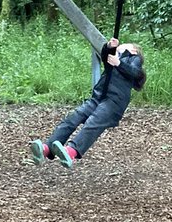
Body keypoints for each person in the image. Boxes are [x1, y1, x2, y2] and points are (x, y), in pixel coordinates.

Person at [30, 37, 146, 168]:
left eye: (124, 45)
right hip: (98, 97)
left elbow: (135, 73)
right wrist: (109, 47)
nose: (120, 46)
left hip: (114, 102)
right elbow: (105, 56)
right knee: (73, 118)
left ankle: (71, 151)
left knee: (93, 123)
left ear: (134, 50)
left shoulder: (133, 59)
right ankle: (47, 148)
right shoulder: (113, 58)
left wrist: (119, 63)